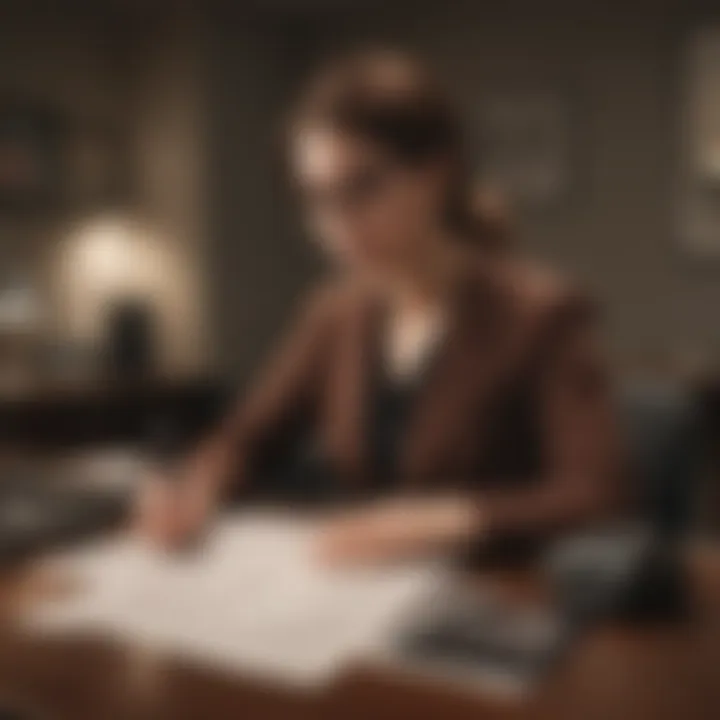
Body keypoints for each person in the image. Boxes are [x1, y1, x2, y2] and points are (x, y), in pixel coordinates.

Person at [137, 49, 618, 565]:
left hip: (494, 596)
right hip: (364, 590)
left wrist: (445, 520)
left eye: (362, 188)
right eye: (316, 199)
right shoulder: (334, 313)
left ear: (436, 175)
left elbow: (598, 496)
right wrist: (197, 487)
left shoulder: (539, 313)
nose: (337, 226)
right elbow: (248, 439)